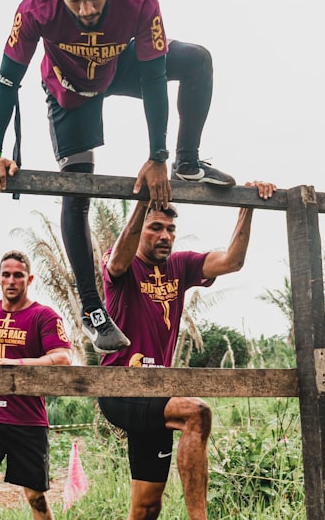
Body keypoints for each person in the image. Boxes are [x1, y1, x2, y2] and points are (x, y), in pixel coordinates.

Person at [0, 0, 234, 355]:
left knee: (196, 60)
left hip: (118, 69)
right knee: (78, 189)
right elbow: (7, 79)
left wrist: (159, 157)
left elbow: (154, 79)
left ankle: (190, 160)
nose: (86, 10)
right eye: (73, 0)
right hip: (70, 88)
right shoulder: (35, 7)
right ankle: (94, 310)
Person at [97, 181, 277, 520]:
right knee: (196, 412)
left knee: (148, 507)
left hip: (158, 394)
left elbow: (232, 261)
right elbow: (118, 264)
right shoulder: (121, 262)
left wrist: (247, 206)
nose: (165, 236)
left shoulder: (180, 266)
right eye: (155, 228)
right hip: (120, 389)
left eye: (170, 229)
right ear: (140, 230)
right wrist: (142, 202)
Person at [0, 250, 73, 520]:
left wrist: (18, 364)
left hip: (27, 420)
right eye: (6, 275)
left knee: (36, 499)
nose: (12, 280)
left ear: (29, 279)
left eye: (18, 275)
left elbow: (63, 357)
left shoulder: (44, 316)